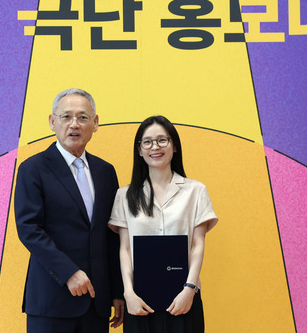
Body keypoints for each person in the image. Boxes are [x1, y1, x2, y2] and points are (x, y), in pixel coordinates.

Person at [14, 88, 124, 333]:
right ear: (52, 122)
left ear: (95, 123)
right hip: (52, 301)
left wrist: (117, 291)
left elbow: (111, 235)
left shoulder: (105, 171)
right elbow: (29, 230)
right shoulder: (33, 169)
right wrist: (68, 273)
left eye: (83, 117)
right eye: (66, 117)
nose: (74, 124)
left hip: (97, 303)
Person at [109, 115, 218, 333]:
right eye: (147, 142)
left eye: (162, 140)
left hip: (183, 300)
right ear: (139, 150)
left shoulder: (195, 191)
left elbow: (197, 244)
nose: (154, 147)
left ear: (174, 146)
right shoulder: (124, 195)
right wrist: (128, 293)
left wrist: (189, 289)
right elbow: (125, 248)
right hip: (139, 302)